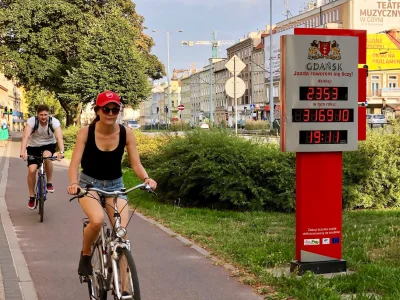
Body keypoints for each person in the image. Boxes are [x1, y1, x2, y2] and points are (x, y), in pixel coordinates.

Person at [67, 90, 157, 277]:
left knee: (121, 234)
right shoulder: (86, 132)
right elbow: (74, 162)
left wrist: (146, 179)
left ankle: (124, 290)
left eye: (114, 110)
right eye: (105, 109)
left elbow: (135, 164)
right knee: (97, 220)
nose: (110, 113)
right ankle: (85, 254)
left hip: (116, 186)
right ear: (97, 110)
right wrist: (74, 183)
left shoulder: (126, 133)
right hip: (88, 186)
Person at [20, 104, 64, 209]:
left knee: (46, 157)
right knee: (32, 169)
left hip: (49, 145)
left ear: (49, 114)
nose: (43, 117)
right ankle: (32, 196)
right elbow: (25, 136)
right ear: (37, 115)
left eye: (45, 114)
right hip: (34, 146)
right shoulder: (32, 121)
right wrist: (22, 151)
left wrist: (61, 151)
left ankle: (49, 183)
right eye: (41, 115)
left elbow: (59, 137)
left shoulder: (54, 122)